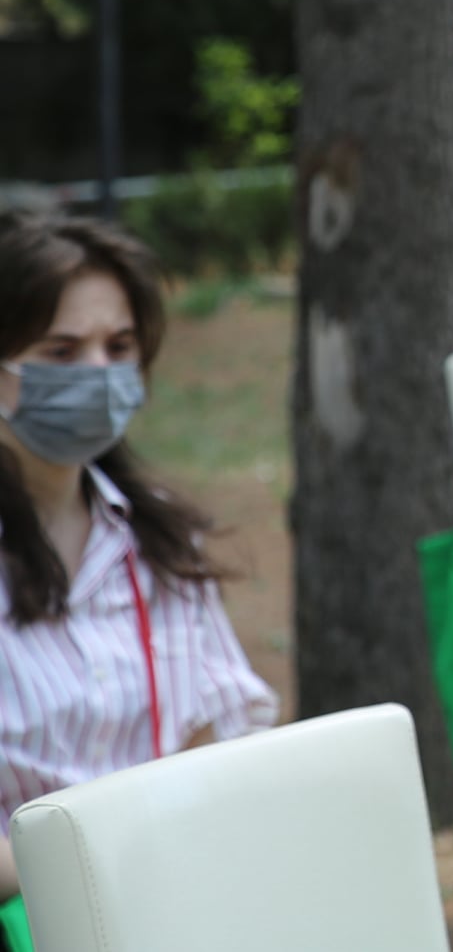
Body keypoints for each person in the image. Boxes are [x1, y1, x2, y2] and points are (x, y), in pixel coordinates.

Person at [0, 212, 277, 934]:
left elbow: (220, 742)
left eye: (118, 347)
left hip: (165, 905)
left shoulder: (161, 541)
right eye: (62, 350)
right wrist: (94, 846)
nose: (99, 373)